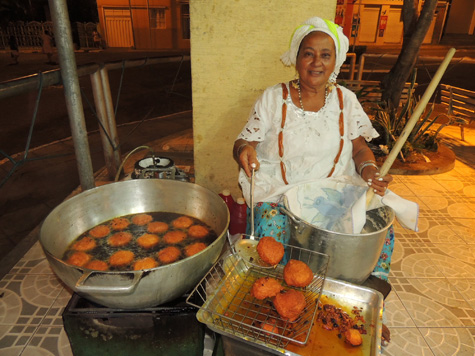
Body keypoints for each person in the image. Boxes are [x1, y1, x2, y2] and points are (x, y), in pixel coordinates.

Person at [233, 16, 393, 344]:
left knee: (380, 231)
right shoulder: (273, 98)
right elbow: (243, 140)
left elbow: (360, 149)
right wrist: (243, 152)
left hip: (332, 192)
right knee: (273, 232)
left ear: (336, 61)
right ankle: (283, 303)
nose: (316, 62)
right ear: (296, 57)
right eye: (308, 53)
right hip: (281, 191)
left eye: (325, 54)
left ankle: (365, 311)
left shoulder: (346, 101)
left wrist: (370, 172)